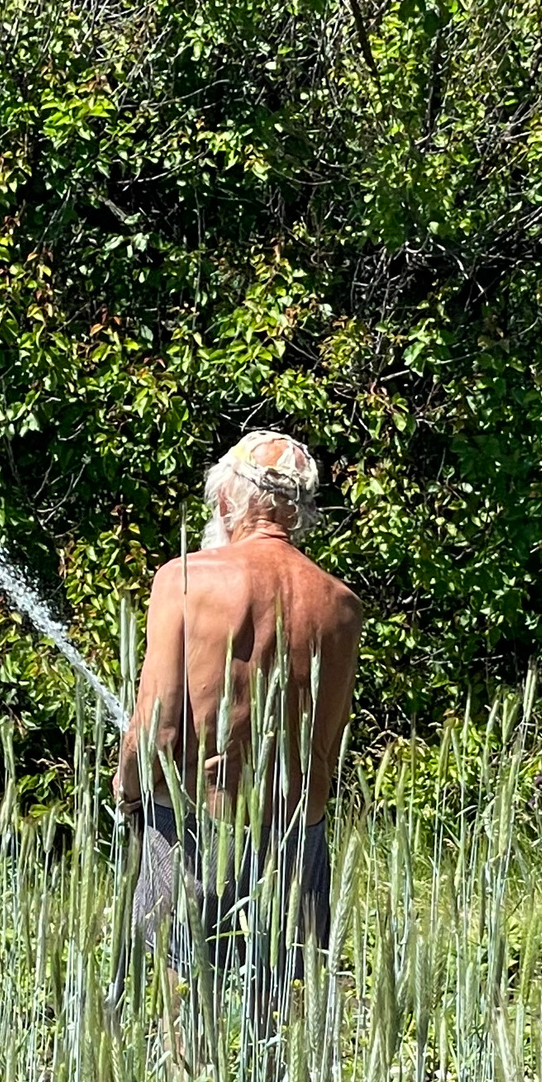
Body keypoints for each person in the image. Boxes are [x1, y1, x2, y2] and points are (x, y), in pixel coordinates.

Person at [114, 432, 362, 1015]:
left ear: (230, 500)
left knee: (180, 1020)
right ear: (299, 510)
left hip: (195, 831)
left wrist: (127, 791)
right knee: (277, 1029)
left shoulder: (186, 579)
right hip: (297, 841)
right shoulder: (342, 605)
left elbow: (158, 724)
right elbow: (326, 746)